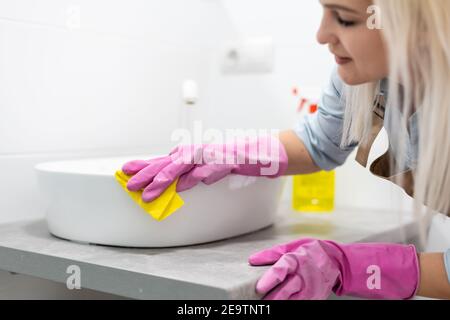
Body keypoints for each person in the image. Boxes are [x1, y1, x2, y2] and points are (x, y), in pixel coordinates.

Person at [121, 0, 450, 299]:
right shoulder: (361, 78)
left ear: (416, 26)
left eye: (345, 19)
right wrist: (229, 155)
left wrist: (354, 266)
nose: (321, 35)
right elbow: (318, 143)